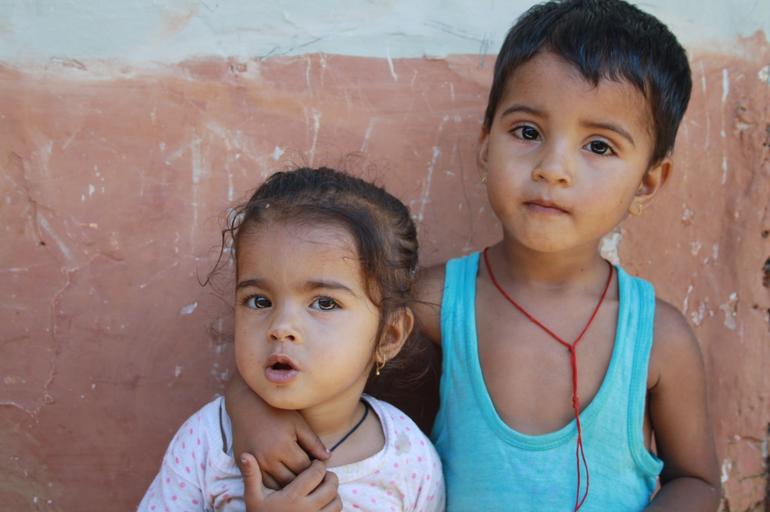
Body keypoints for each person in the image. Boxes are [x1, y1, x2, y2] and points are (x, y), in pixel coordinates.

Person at [225, 0, 721, 510]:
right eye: (527, 132)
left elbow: (697, 482)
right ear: (486, 145)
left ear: (648, 182)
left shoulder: (657, 338)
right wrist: (253, 413)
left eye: (598, 146)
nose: (553, 168)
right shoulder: (435, 302)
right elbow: (296, 357)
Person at [138, 167, 445, 512]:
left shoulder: (407, 461)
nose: (281, 327)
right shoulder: (209, 441)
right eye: (260, 301)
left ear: (389, 335)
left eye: (324, 303)